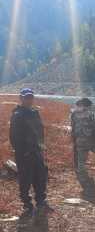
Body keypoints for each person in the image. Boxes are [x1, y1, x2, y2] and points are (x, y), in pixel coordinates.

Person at [9, 88, 50, 217]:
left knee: (40, 176)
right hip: (24, 153)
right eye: (26, 97)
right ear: (21, 98)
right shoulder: (17, 115)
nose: (29, 99)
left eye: (31, 97)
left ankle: (41, 200)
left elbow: (40, 132)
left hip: (37, 151)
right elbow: (14, 136)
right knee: (25, 178)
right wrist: (22, 152)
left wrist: (42, 147)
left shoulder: (35, 113)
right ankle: (27, 203)